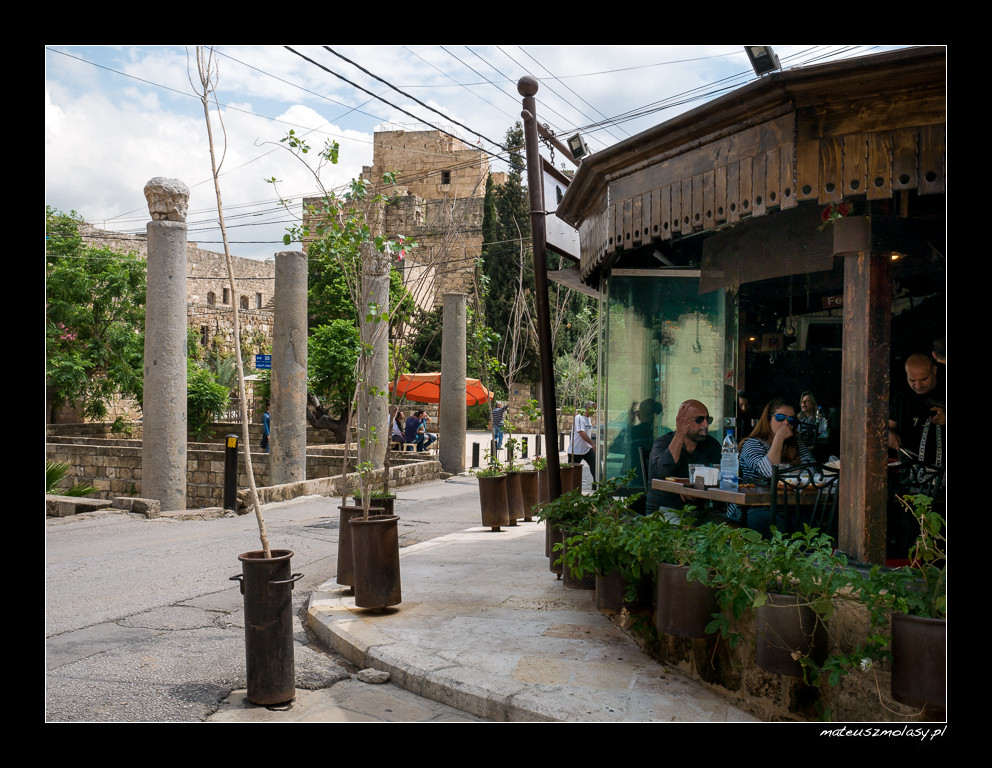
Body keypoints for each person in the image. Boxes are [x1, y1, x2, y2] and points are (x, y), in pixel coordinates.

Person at [727, 398, 815, 537]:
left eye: (791, 420)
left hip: (788, 507)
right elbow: (768, 471)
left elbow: (812, 471)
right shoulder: (752, 444)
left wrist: (786, 470)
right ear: (768, 419)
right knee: (774, 525)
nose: (786, 423)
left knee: (807, 525)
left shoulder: (796, 444)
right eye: (780, 417)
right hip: (752, 508)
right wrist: (779, 438)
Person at [645, 399, 722, 516]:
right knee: (692, 532)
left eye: (708, 419)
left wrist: (691, 487)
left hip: (699, 512)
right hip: (665, 511)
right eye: (699, 420)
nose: (705, 425)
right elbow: (663, 470)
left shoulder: (710, 444)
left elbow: (728, 474)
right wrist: (680, 433)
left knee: (734, 530)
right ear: (682, 422)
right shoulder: (663, 443)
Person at [888, 353, 945, 468]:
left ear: (934, 370)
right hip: (909, 471)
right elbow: (888, 427)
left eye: (924, 379)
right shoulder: (901, 399)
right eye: (912, 380)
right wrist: (888, 435)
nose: (918, 386)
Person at [569, 401, 597, 480]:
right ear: (587, 408)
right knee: (572, 472)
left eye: (595, 409)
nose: (594, 411)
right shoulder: (579, 417)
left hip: (587, 449)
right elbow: (581, 432)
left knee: (595, 467)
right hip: (576, 450)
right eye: (593, 409)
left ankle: (596, 485)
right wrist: (592, 444)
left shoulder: (588, 419)